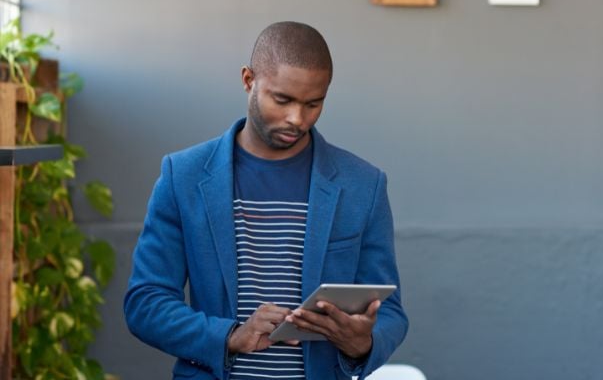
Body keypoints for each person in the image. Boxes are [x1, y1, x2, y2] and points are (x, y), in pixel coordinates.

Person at [124, 21, 408, 380]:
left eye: (313, 104)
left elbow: (390, 313)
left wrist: (362, 344)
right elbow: (145, 303)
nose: (297, 119)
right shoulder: (184, 176)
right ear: (248, 80)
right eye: (283, 99)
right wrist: (229, 335)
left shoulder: (362, 185)